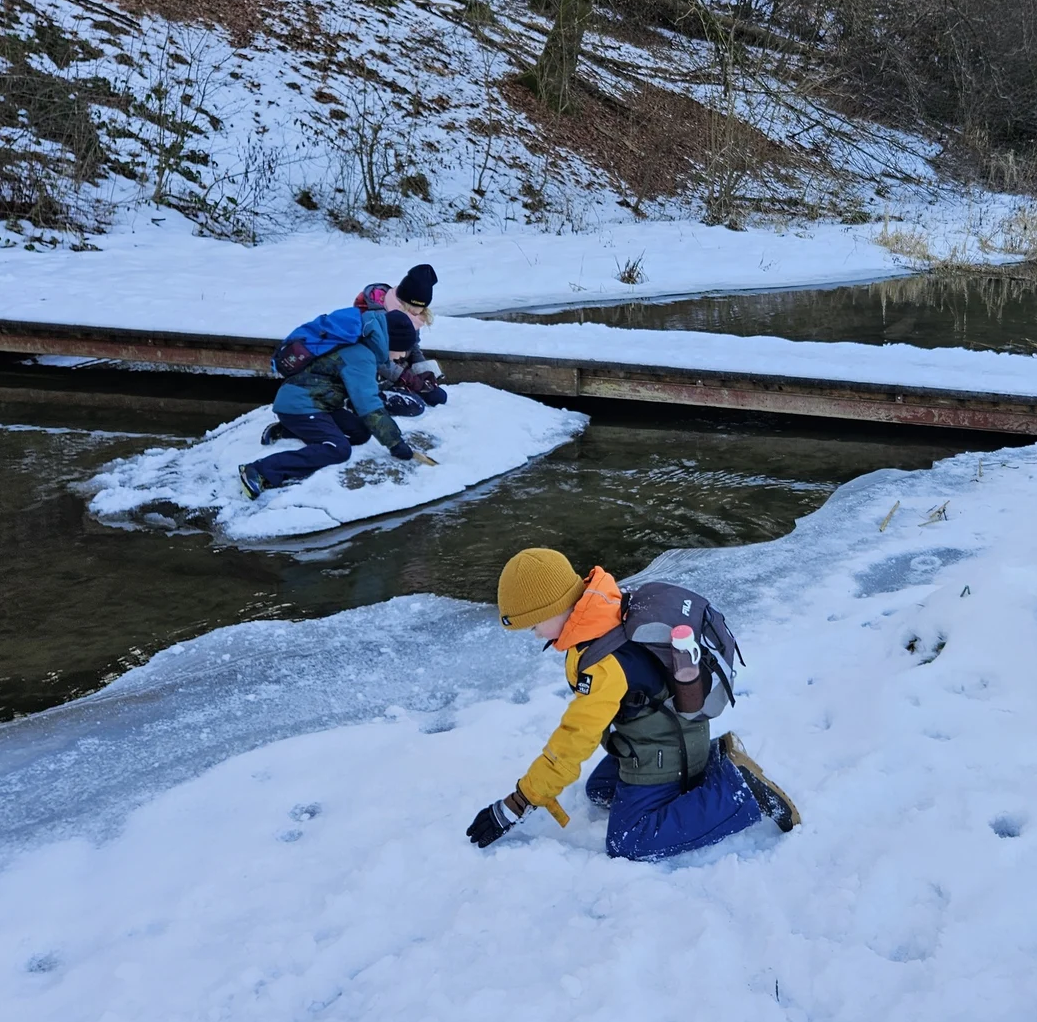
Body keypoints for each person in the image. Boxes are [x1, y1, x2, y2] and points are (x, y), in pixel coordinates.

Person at [464, 548, 800, 861]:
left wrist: (519, 801)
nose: (536, 635)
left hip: (666, 746)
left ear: (552, 606)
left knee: (627, 840)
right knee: (599, 790)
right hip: (670, 730)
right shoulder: (601, 605)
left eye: (534, 624)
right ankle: (712, 760)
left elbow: (573, 742)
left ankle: (739, 793)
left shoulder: (602, 663)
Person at [239, 293, 421, 498]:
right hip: (300, 406)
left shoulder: (362, 345)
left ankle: (287, 430)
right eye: (403, 350)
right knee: (339, 449)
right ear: (391, 342)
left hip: (319, 403)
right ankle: (261, 470)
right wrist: (395, 443)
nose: (403, 356)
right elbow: (368, 404)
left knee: (360, 431)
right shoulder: (362, 356)